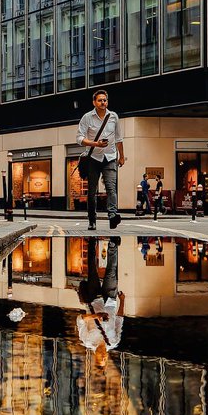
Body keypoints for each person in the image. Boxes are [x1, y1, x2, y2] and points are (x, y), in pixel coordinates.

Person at [77, 88, 125, 230]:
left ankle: (112, 215)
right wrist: (95, 144)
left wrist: (121, 157)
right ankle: (92, 220)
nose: (103, 102)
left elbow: (119, 139)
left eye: (105, 100)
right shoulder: (87, 117)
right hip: (93, 158)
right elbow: (79, 138)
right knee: (92, 191)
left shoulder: (113, 116)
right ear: (94, 102)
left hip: (110, 157)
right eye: (100, 100)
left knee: (111, 187)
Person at [76, 238, 124, 366]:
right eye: (105, 359)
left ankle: (92, 243)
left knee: (92, 270)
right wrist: (123, 301)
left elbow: (80, 320)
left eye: (100, 359)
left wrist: (95, 316)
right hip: (110, 301)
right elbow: (119, 320)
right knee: (111, 272)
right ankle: (112, 245)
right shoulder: (113, 342)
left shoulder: (87, 341)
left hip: (94, 299)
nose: (103, 357)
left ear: (95, 357)